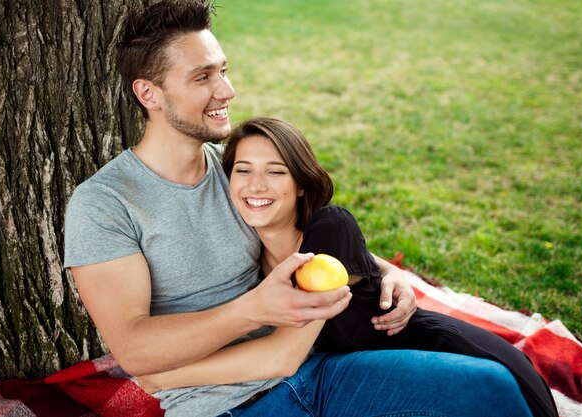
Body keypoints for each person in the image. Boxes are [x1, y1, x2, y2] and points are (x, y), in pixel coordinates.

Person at [64, 1, 537, 416]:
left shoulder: (236, 172)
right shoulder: (105, 203)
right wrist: (253, 310)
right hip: (231, 404)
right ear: (149, 94)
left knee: (490, 389)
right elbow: (135, 350)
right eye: (203, 77)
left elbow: (307, 236)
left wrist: (381, 272)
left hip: (319, 366)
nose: (226, 90)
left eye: (223, 70)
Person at [136, 117, 558, 417]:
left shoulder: (328, 227)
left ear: (300, 183)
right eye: (242, 170)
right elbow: (366, 262)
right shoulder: (250, 247)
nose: (256, 186)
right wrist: (392, 274)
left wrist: (166, 377)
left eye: (276, 172)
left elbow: (284, 356)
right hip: (386, 379)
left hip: (449, 355)